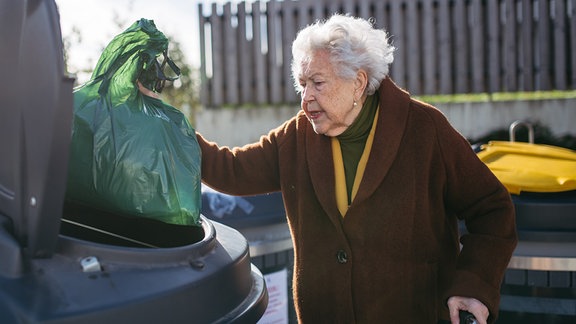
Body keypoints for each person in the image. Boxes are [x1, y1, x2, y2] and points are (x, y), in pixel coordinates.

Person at [195, 14, 517, 323]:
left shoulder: (424, 128)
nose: (306, 98)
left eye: (318, 83)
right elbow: (230, 169)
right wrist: (168, 129)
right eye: (302, 84)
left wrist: (474, 285)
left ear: (359, 83)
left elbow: (492, 209)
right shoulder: (296, 136)